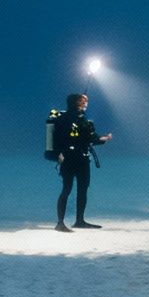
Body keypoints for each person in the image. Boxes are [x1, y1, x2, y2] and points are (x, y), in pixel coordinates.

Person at [51, 93, 112, 232]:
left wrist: (104, 139)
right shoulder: (67, 119)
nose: (86, 104)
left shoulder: (79, 119)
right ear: (77, 103)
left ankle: (79, 220)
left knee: (82, 190)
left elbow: (91, 139)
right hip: (70, 159)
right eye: (83, 102)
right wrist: (58, 154)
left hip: (81, 159)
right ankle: (60, 223)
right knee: (67, 189)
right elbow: (58, 139)